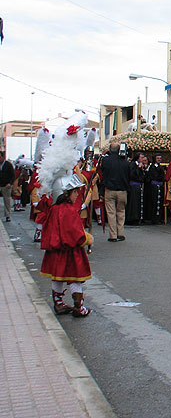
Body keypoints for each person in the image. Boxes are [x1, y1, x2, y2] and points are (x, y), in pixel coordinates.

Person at [37, 111, 93, 317]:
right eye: (73, 191)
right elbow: (74, 234)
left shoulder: (54, 209)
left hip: (56, 252)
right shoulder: (68, 211)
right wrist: (86, 238)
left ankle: (59, 304)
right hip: (70, 251)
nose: (77, 193)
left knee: (57, 277)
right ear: (64, 193)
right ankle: (79, 307)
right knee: (76, 279)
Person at [101, 142, 130, 242]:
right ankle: (121, 233)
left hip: (110, 189)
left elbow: (103, 174)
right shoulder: (125, 161)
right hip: (122, 190)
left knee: (111, 213)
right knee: (121, 212)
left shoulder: (106, 160)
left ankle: (113, 235)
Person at [144, 153, 165, 225]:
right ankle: (153, 218)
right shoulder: (152, 167)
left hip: (160, 186)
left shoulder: (160, 167)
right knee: (154, 202)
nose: (159, 160)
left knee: (159, 202)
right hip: (153, 187)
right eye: (158, 158)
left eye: (160, 158)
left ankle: (159, 217)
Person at [125, 151, 145, 226]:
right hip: (133, 186)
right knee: (133, 203)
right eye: (141, 157)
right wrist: (138, 168)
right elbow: (132, 175)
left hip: (138, 185)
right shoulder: (132, 164)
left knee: (138, 203)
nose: (142, 159)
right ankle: (132, 219)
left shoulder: (141, 165)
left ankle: (138, 218)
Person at [0, 151, 15, 222]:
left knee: (7, 200)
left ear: (3, 157)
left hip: (6, 185)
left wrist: (10, 183)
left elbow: (13, 175)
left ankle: (7, 215)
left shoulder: (8, 165)